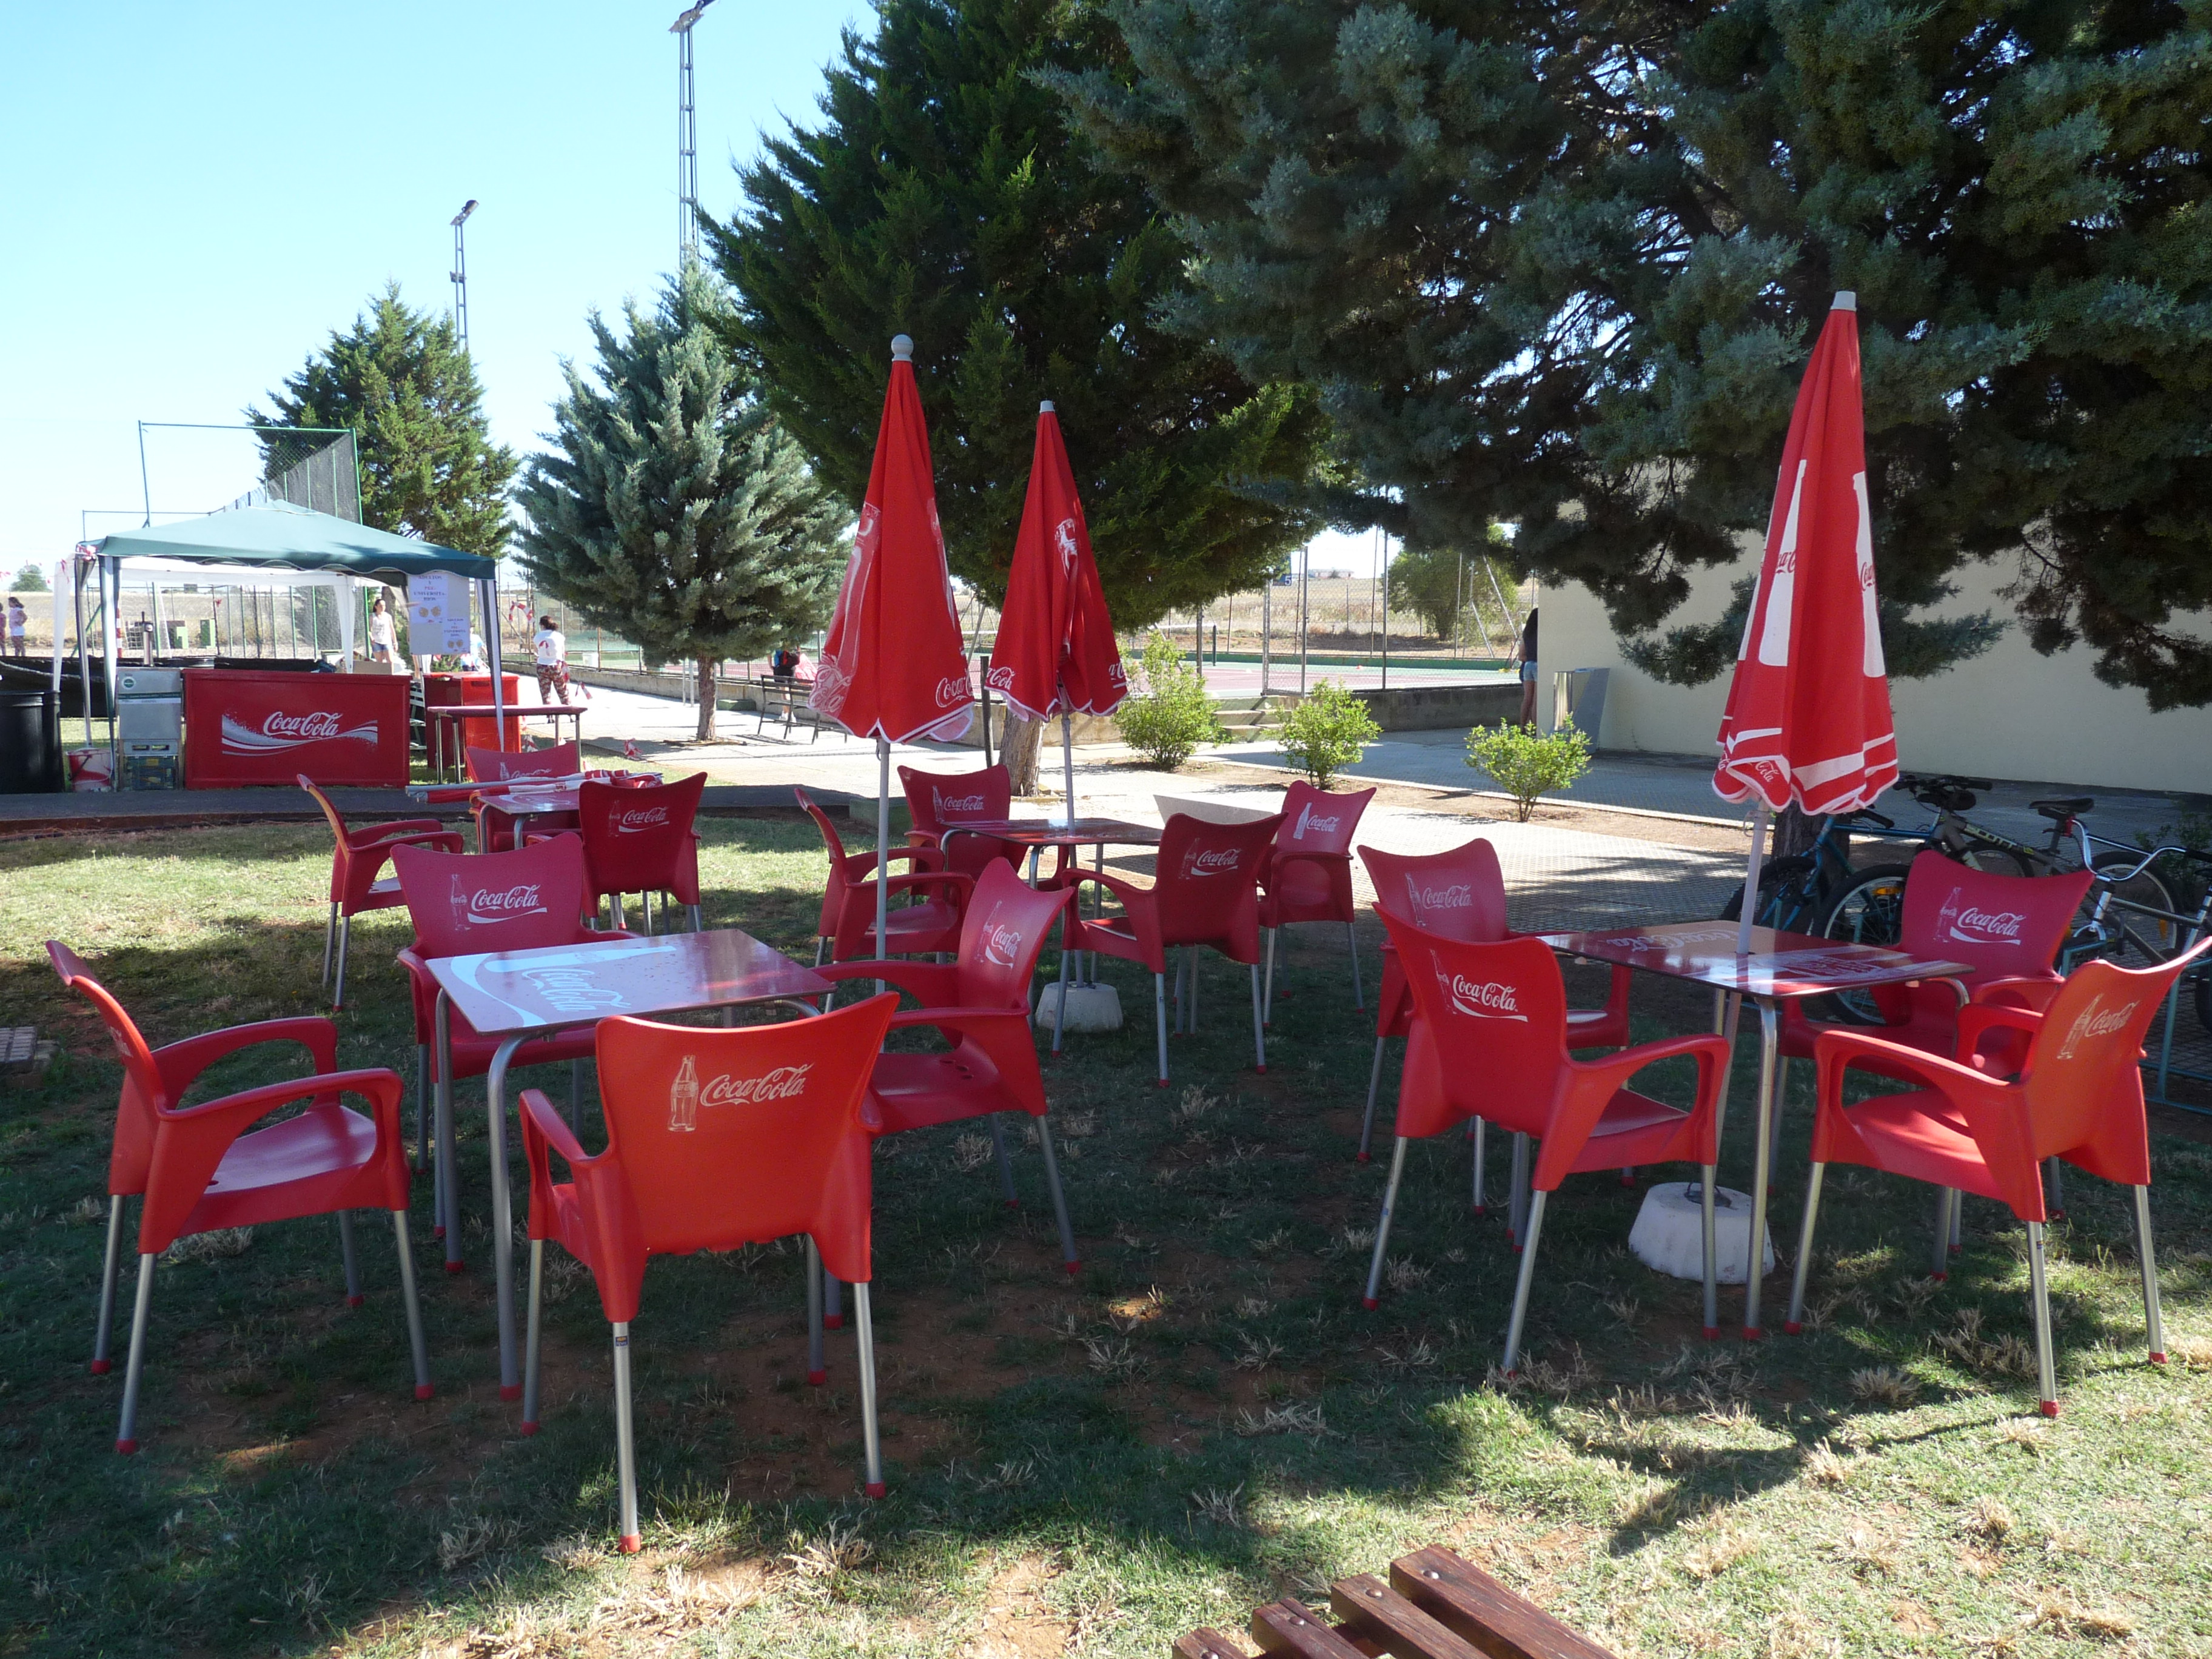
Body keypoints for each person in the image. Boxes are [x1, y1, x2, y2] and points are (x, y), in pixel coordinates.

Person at [534, 614, 571, 704]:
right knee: (563, 691)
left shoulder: (538, 637)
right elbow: (562, 651)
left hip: (542, 666)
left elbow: (536, 651)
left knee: (545, 693)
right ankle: (567, 708)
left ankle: (548, 710)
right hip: (556, 666)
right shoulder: (559, 636)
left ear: (542, 625)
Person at [1513, 606, 1538, 728]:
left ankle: (1523, 726)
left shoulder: (1527, 634)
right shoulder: (1542, 633)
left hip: (1528, 665)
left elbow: (1521, 655)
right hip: (1538, 664)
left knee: (1527, 698)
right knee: (1536, 700)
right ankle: (1536, 727)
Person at [367, 597, 397, 665]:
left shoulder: (388, 616)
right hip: (376, 642)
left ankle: (391, 672)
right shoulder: (372, 617)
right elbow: (369, 630)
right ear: (376, 607)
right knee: (380, 662)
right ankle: (381, 672)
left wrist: (395, 643)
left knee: (390, 661)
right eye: (381, 606)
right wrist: (371, 637)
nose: (383, 607)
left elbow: (392, 630)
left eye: (384, 606)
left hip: (387, 641)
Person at [5, 595, 25, 660]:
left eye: (10, 603)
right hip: (14, 629)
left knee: (20, 645)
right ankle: (17, 656)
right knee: (16, 645)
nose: (9, 604)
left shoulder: (18, 610)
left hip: (17, 630)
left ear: (15, 603)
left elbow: (25, 617)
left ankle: (23, 657)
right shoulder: (13, 610)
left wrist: (21, 622)